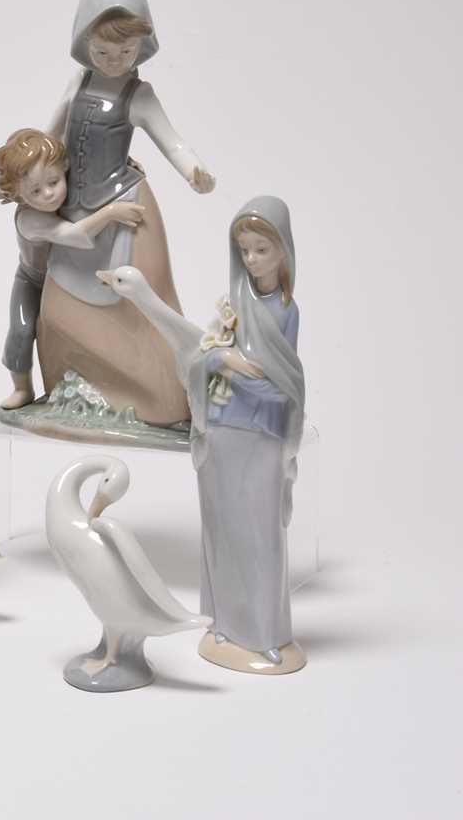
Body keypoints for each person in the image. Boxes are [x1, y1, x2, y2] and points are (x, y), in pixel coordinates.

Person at [36, 0, 216, 424]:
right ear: (84, 43)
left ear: (141, 47)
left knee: (140, 302)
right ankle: (71, 388)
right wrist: (29, 166)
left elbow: (171, 141)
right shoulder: (77, 84)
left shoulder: (139, 95)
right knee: (59, 300)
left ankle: (160, 398)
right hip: (70, 208)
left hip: (125, 210)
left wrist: (193, 171)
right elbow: (50, 134)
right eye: (102, 51)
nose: (114, 60)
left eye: (125, 51)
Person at [187, 197, 306, 673]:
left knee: (262, 536)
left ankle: (265, 634)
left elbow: (284, 386)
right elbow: (204, 358)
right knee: (221, 527)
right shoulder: (235, 304)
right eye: (245, 250)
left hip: (263, 434)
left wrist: (242, 375)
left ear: (283, 250)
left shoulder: (286, 310)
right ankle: (223, 624)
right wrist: (226, 361)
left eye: (261, 249)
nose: (252, 259)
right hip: (222, 427)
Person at [0, 128, 144, 409]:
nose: (49, 194)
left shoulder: (69, 187)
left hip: (64, 278)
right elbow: (75, 235)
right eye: (35, 191)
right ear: (20, 195)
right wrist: (111, 212)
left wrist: (125, 167)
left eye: (54, 181)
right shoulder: (30, 219)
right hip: (34, 280)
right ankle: (22, 387)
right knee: (22, 330)